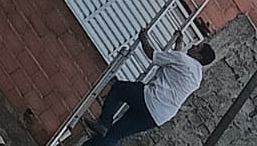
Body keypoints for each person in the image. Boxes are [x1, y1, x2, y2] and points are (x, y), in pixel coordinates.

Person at [87, 25, 216, 146]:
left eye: (197, 47)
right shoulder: (197, 78)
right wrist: (179, 43)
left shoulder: (184, 60)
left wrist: (144, 39)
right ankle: (101, 132)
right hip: (159, 116)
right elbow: (176, 62)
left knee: (119, 88)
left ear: (199, 56)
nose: (193, 46)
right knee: (114, 134)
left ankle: (104, 122)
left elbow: (151, 54)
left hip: (152, 98)